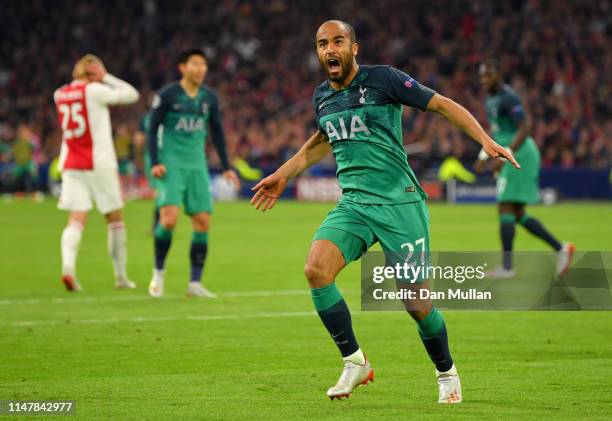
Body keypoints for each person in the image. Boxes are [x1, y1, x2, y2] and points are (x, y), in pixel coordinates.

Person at [251, 20, 519, 403]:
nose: (330, 49)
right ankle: (355, 361)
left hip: (400, 203)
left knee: (416, 303)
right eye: (322, 43)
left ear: (353, 48)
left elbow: (441, 105)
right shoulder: (322, 97)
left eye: (338, 41)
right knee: (316, 269)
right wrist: (281, 175)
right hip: (355, 205)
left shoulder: (384, 80)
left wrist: (485, 139)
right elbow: (321, 140)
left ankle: (446, 373)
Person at [147, 48, 240, 298]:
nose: (200, 69)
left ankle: (194, 283)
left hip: (197, 164)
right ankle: (158, 275)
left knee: (202, 222)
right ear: (183, 67)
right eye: (195, 64)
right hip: (171, 163)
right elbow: (152, 128)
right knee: (168, 220)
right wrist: (155, 161)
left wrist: (226, 167)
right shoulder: (167, 95)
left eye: (203, 65)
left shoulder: (210, 98)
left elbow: (217, 132)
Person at [476, 60, 575, 277]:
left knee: (505, 207)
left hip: (521, 153)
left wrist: (505, 155)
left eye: (488, 76)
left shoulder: (508, 97)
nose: (484, 81)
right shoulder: (491, 100)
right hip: (511, 152)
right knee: (518, 214)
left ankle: (508, 267)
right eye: (482, 77)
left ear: (497, 75)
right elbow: (498, 132)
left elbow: (525, 127)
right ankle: (561, 249)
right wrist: (484, 154)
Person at [54, 54, 140, 291]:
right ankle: (121, 277)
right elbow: (132, 95)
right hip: (99, 163)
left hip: (70, 163)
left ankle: (68, 268)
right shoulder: (95, 90)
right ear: (93, 73)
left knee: (76, 218)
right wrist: (107, 77)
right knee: (114, 219)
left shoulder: (59, 94)